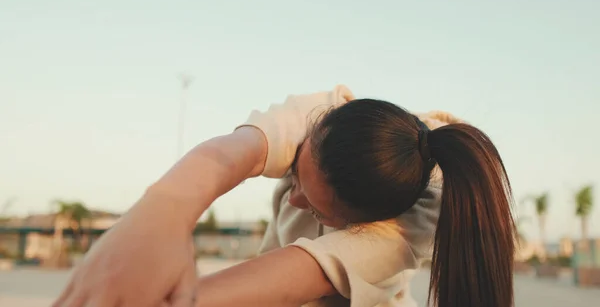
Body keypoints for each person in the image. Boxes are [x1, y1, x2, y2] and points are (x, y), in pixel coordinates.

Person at [52, 86, 516, 307]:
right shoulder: (333, 116)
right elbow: (239, 152)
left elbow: (298, 272)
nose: (292, 200)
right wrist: (158, 215)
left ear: (356, 222)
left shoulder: (405, 227)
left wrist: (164, 301)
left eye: (315, 208)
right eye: (297, 174)